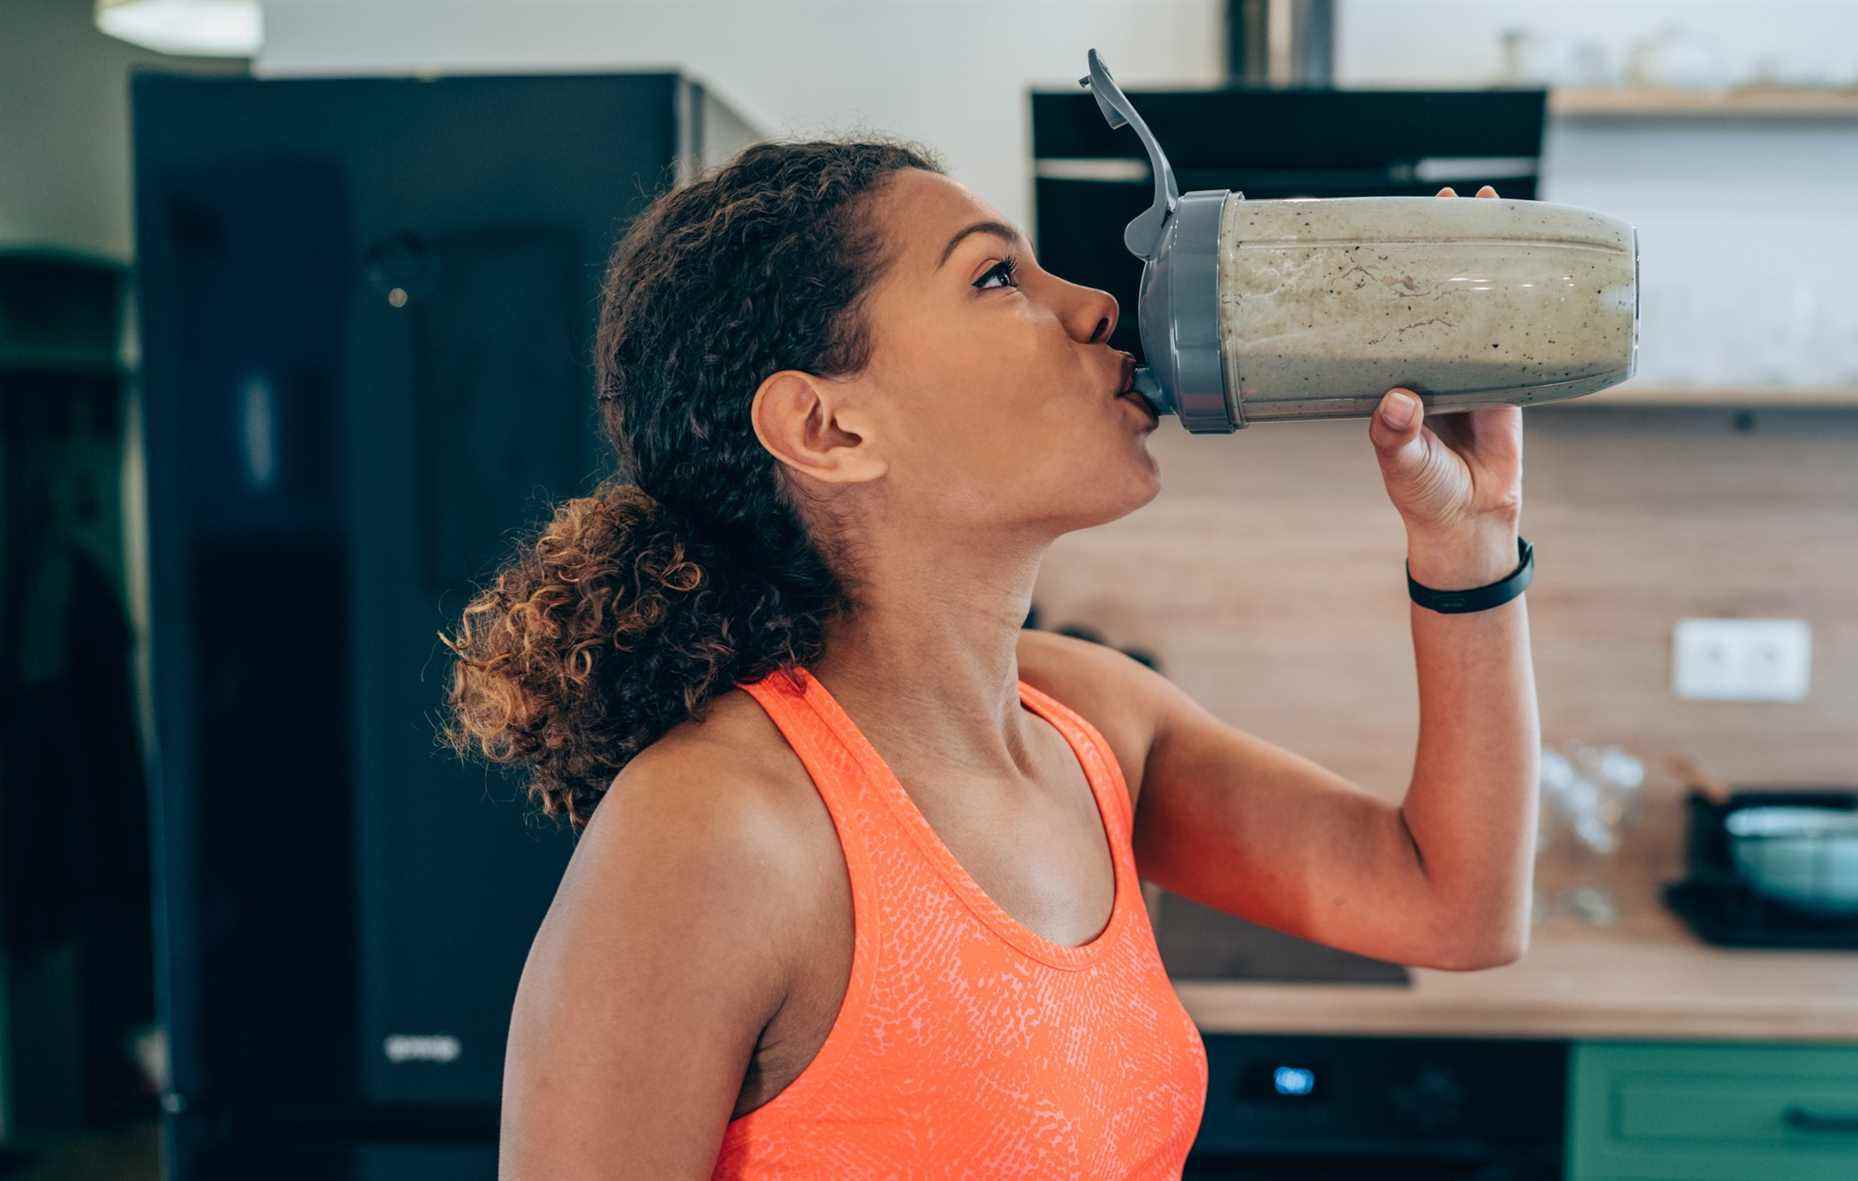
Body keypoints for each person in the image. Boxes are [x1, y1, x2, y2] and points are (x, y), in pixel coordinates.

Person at [440, 138, 1538, 1179]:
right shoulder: (715, 828)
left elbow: (1454, 908)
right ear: (827, 428)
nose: (1095, 302)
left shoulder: (1090, 722)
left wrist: (1469, 542)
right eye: (994, 277)